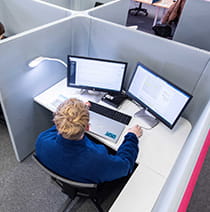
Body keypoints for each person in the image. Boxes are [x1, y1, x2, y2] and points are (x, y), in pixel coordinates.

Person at [36, 98, 143, 184]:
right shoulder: (98, 159)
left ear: (57, 122)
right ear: (87, 128)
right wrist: (132, 136)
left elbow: (63, 124)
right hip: (88, 176)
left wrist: (77, 112)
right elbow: (126, 165)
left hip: (62, 170)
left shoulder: (42, 140)